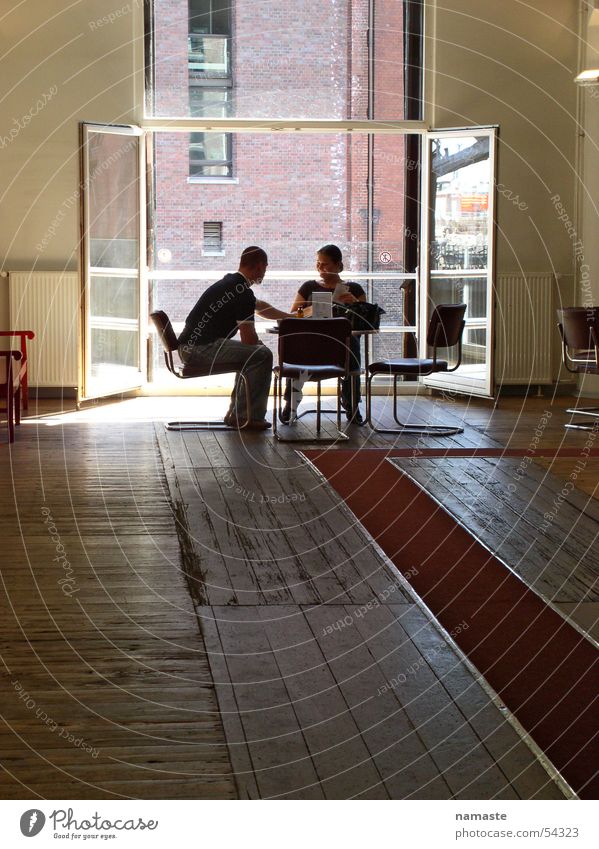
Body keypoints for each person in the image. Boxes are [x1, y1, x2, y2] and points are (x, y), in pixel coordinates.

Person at [178, 246, 291, 430]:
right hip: (200, 349)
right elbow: (248, 339)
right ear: (260, 266)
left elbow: (260, 306)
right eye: (266, 268)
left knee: (254, 353)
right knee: (262, 355)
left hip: (190, 347)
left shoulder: (232, 284)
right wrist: (258, 346)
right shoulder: (243, 293)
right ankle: (248, 417)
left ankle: (237, 414)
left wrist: (291, 317)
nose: (265, 273)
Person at [282, 244, 366, 424]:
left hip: (340, 347)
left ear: (338, 265)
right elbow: (291, 316)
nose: (320, 268)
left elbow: (364, 322)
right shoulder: (308, 287)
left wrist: (354, 306)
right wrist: (310, 309)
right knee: (300, 342)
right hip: (312, 343)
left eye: (325, 264)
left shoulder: (354, 289)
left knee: (351, 341)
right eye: (318, 264)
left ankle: (351, 402)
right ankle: (291, 402)